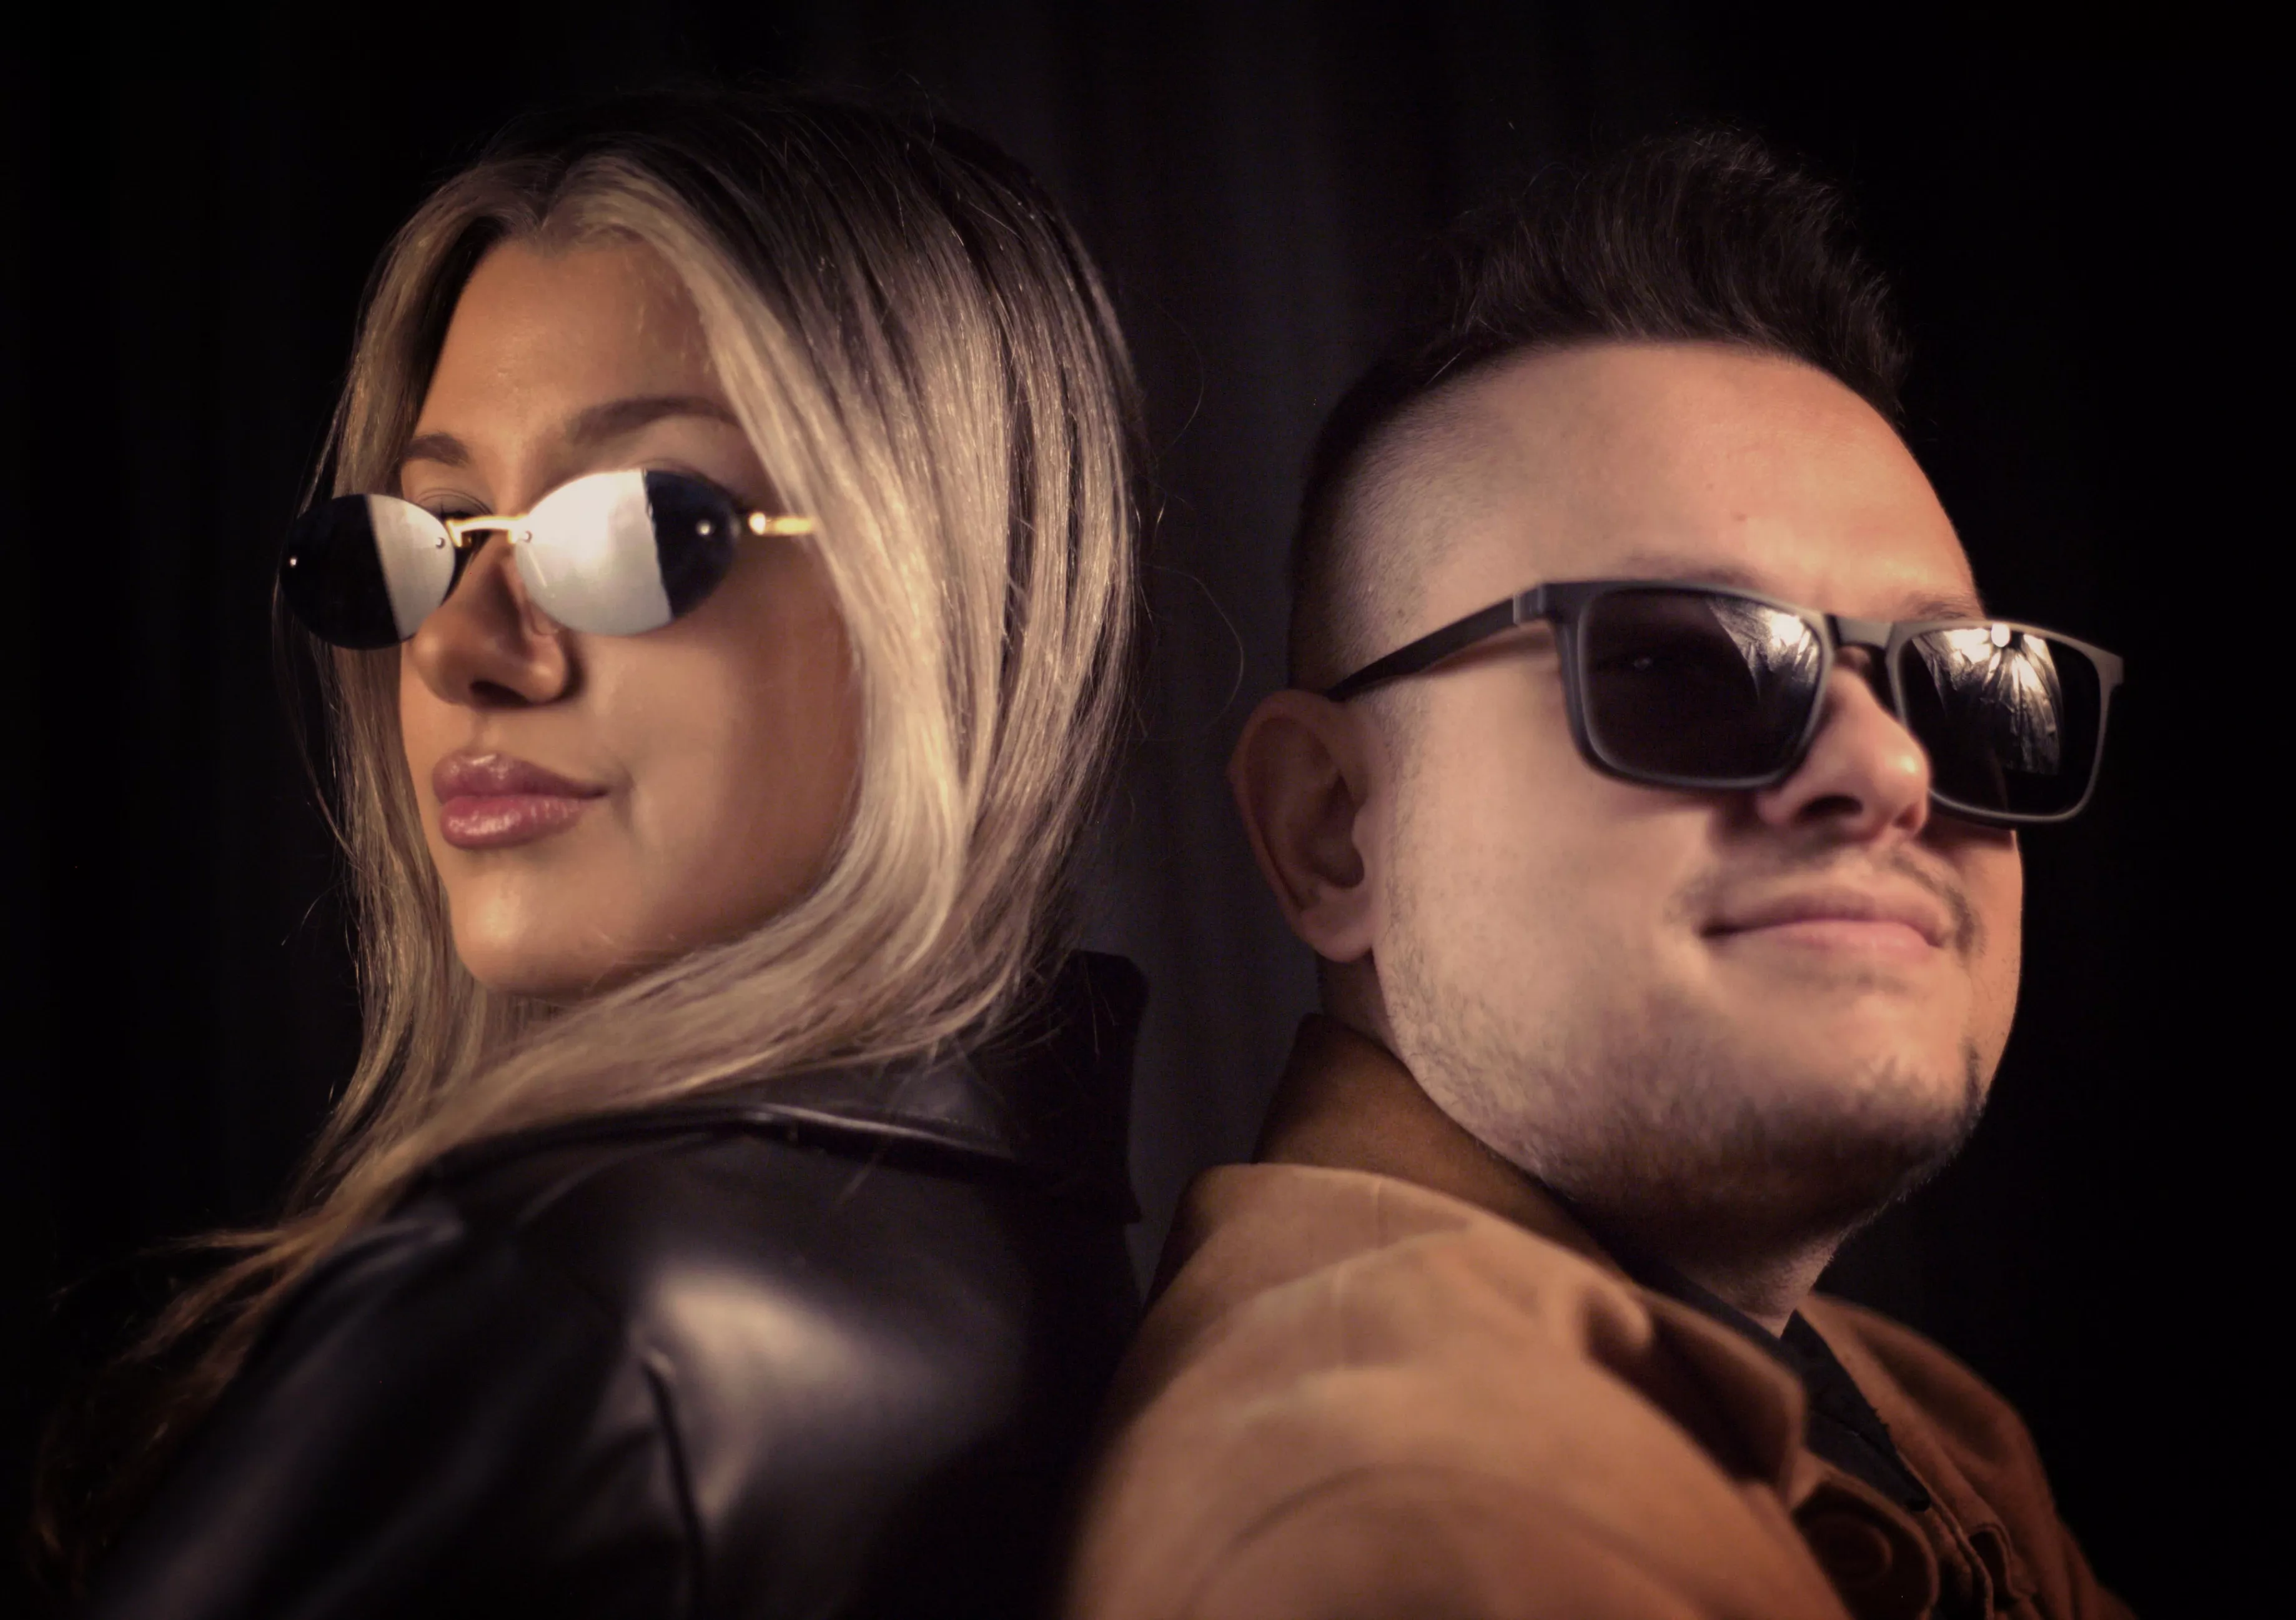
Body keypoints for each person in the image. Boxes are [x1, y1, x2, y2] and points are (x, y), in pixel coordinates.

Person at [41, 89, 1146, 1619]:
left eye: (630, 527)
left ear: (950, 597)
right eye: (435, 529)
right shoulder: (1043, 1251)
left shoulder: (549, 1303)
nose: (461, 652)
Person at [1066, 132, 2130, 1620]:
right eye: (1679, 668)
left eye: (1960, 687)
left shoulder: (1923, 1425)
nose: (1890, 769)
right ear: (1331, 828)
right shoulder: (1404, 1507)